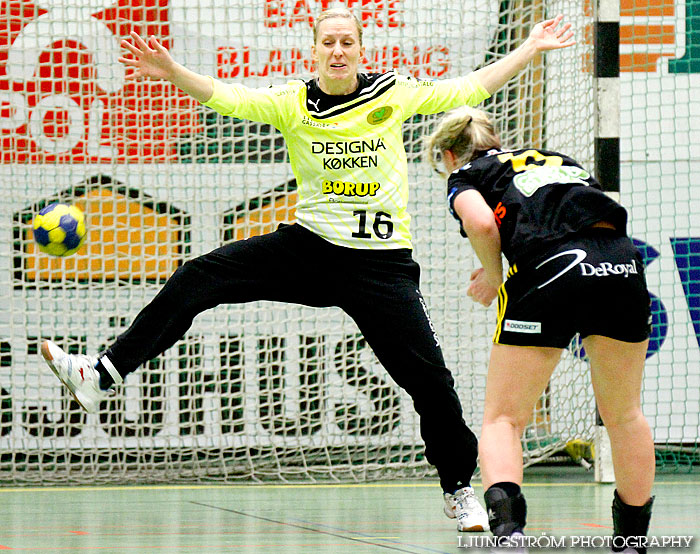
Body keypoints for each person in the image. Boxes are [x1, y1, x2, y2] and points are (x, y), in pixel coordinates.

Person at [40, 8, 574, 533]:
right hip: (311, 250)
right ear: (314, 50)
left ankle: (459, 489)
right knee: (200, 277)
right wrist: (176, 73)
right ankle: (102, 374)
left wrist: (529, 47)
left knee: (431, 385)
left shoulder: (392, 92)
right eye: (329, 43)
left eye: (347, 42)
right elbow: (230, 97)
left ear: (361, 50)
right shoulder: (292, 102)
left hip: (380, 268)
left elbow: (468, 88)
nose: (338, 51)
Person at [424, 106, 655, 551]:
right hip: (621, 261)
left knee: (504, 419)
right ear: (494, 136)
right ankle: (632, 542)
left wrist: (493, 274)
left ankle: (510, 537)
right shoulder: (556, 157)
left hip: (551, 269)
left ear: (450, 154)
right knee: (624, 414)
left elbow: (480, 221)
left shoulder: (468, 173)